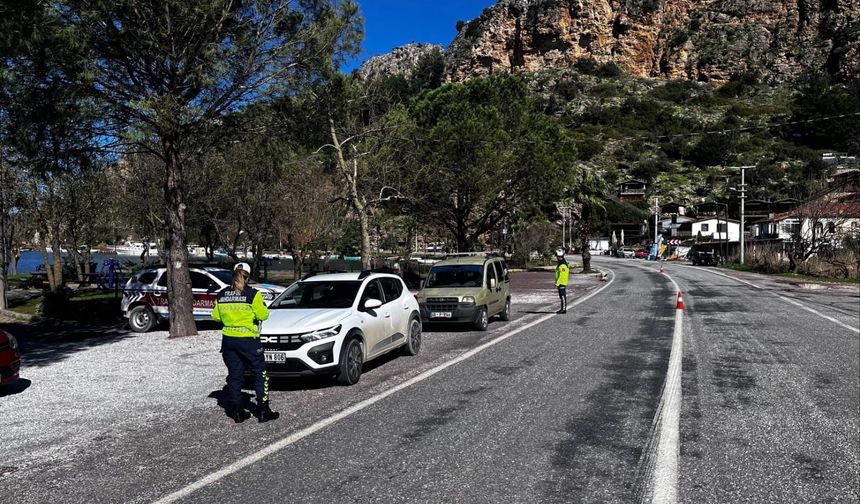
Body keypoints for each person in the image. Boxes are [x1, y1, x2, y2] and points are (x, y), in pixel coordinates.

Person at [212, 263, 279, 423]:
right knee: (259, 374)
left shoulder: (222, 294)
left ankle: (236, 411)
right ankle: (263, 410)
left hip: (228, 341)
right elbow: (263, 315)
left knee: (235, 376)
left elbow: (216, 316)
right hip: (249, 341)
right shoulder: (252, 294)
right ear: (248, 276)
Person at [554, 249, 569, 314]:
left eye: (557, 256)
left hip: (562, 282)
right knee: (561, 296)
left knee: (562, 296)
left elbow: (562, 275)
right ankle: (562, 309)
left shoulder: (563, 264)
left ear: (560, 256)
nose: (556, 257)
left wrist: (557, 283)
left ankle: (563, 309)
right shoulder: (561, 263)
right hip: (560, 282)